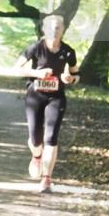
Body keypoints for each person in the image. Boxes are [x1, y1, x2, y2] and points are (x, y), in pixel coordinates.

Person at [14, 14, 79, 194]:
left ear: (63, 30)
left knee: (51, 137)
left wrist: (70, 78)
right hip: (35, 95)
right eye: (51, 27)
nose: (54, 30)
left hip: (56, 98)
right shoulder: (35, 48)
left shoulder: (68, 51)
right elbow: (16, 69)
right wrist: (37, 74)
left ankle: (46, 179)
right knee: (35, 137)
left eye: (58, 27)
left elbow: (76, 74)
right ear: (44, 29)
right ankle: (36, 156)